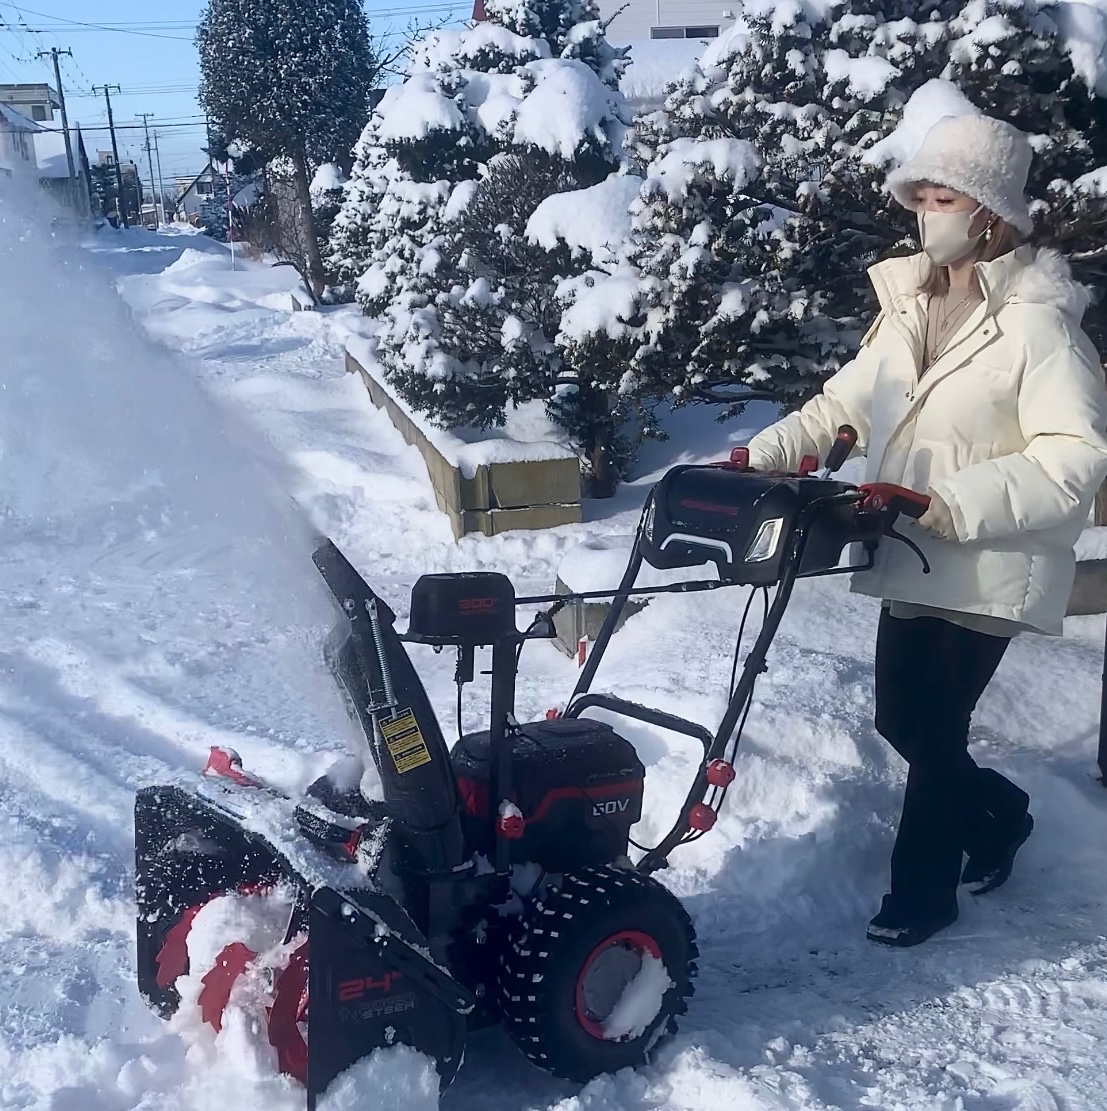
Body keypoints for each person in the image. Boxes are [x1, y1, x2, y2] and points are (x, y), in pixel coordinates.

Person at [743, 112, 1107, 947]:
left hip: (988, 556)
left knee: (934, 727)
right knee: (899, 722)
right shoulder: (907, 308)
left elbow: (1073, 455)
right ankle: (1001, 815)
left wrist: (947, 501)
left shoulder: (1039, 324)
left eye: (944, 196)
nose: (926, 212)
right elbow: (840, 402)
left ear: (990, 213)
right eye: (920, 195)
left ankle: (922, 891)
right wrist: (761, 456)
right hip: (909, 546)